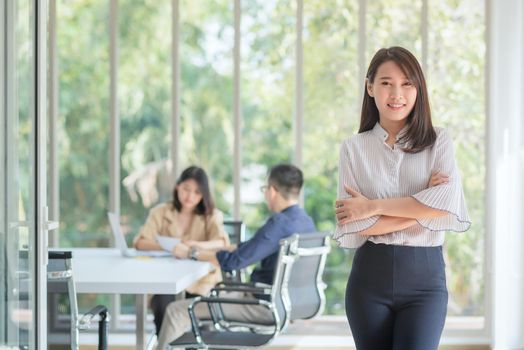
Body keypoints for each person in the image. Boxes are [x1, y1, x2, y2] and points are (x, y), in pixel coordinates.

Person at [334, 46, 471, 350]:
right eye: (386, 83)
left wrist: (372, 206)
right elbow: (355, 224)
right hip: (369, 279)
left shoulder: (439, 141)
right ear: (370, 87)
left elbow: (446, 205)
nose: (397, 93)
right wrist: (423, 202)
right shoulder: (353, 148)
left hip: (425, 281)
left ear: (418, 89)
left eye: (407, 83)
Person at [156, 163, 316, 349]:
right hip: (284, 302)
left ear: (272, 191)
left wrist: (191, 253)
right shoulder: (304, 221)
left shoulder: (279, 223)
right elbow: (250, 248)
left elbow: (234, 262)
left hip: (262, 305)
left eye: (265, 189)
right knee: (210, 296)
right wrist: (201, 246)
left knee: (176, 311)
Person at [133, 166, 229, 335]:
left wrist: (195, 245)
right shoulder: (160, 212)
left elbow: (222, 242)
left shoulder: (211, 215)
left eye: (197, 192)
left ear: (203, 195)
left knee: (195, 315)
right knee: (163, 303)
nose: (190, 196)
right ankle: (167, 344)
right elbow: (140, 242)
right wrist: (170, 247)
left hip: (201, 283)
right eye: (186, 189)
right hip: (166, 281)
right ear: (177, 186)